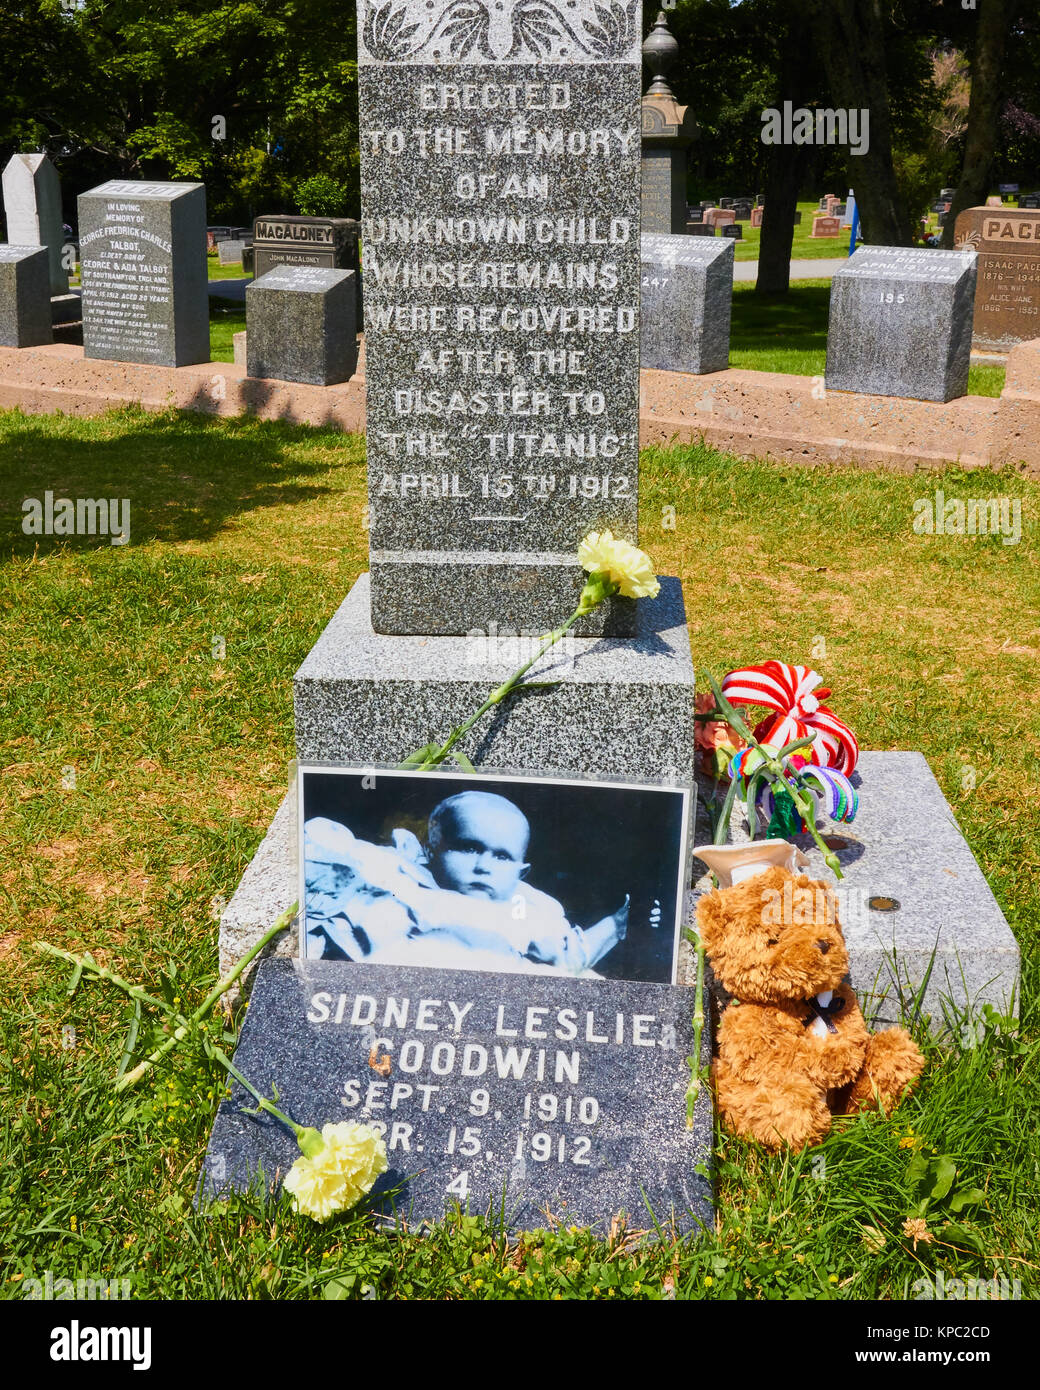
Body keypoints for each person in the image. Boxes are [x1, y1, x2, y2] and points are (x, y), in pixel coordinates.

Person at [302, 789, 657, 974]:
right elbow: (322, 843)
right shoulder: (398, 870)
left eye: (502, 856)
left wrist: (618, 923)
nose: (484, 866)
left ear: (521, 872)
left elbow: (569, 957)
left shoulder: (530, 908)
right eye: (468, 848)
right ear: (432, 849)